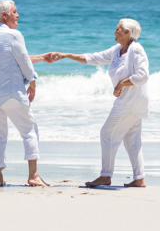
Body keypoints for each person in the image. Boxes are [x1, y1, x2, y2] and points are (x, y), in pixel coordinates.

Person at [51, 19, 149, 187]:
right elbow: (94, 58)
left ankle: (106, 175)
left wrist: (121, 84)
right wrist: (67, 55)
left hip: (130, 102)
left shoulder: (136, 49)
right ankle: (139, 178)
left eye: (117, 29)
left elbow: (143, 75)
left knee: (107, 133)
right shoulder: (117, 50)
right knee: (131, 138)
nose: (114, 32)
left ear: (127, 33)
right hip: (131, 102)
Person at [0, 0, 57, 187]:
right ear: (4, 15)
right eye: (14, 12)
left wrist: (41, 57)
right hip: (11, 93)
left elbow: (16, 57)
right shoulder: (14, 35)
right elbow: (23, 61)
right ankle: (33, 175)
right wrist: (32, 83)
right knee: (30, 130)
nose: (18, 15)